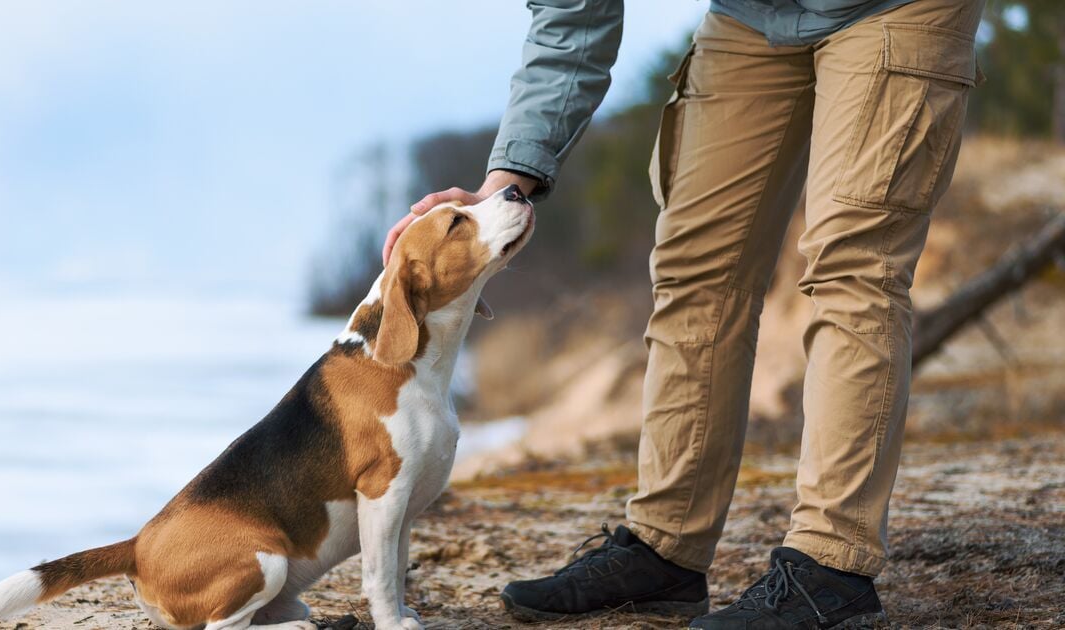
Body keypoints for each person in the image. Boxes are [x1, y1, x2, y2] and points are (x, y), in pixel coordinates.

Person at [383, 0, 986, 627]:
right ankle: (666, 550)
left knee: (852, 269)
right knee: (697, 269)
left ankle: (831, 567)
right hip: (754, 15)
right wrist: (502, 191)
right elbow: (573, 16)